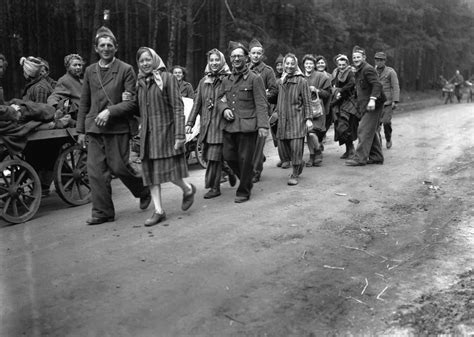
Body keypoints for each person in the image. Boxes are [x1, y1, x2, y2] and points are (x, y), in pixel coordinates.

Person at [77, 26, 151, 225]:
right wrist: (81, 130)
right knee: (95, 172)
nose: (106, 48)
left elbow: (131, 102)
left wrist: (110, 111)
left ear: (116, 48)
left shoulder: (126, 70)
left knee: (119, 167)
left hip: (117, 127)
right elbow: (84, 101)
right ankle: (103, 212)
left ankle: (143, 190)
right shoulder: (90, 71)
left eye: (110, 45)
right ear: (96, 48)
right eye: (102, 45)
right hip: (94, 129)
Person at [136, 47, 196, 226]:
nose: (145, 63)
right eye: (142, 61)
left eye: (148, 59)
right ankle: (159, 211)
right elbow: (137, 107)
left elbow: (178, 107)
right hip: (147, 134)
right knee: (151, 175)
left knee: (169, 172)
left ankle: (187, 190)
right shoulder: (139, 82)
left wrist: (180, 135)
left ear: (155, 59)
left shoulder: (167, 78)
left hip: (166, 132)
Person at [216, 41, 269, 203]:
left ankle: (244, 190)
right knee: (228, 156)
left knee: (246, 160)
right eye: (233, 56)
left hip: (248, 126)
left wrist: (262, 126)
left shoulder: (255, 78)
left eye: (240, 56)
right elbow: (219, 98)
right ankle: (246, 178)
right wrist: (224, 109)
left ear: (246, 58)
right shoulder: (227, 79)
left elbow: (261, 103)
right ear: (230, 59)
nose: (236, 59)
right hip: (230, 126)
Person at [186, 48, 235, 199]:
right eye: (211, 60)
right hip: (206, 125)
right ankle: (229, 171)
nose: (214, 63)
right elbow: (196, 103)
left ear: (222, 61)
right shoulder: (203, 81)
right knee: (208, 155)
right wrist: (190, 123)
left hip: (221, 125)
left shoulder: (228, 79)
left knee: (213, 157)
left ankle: (214, 187)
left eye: (217, 60)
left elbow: (233, 100)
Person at [275, 53, 312, 185]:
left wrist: (308, 118)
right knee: (283, 149)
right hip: (283, 120)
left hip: (297, 119)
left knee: (296, 147)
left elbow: (307, 101)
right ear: (284, 65)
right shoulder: (281, 81)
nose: (289, 66)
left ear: (295, 65)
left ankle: (295, 173)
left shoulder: (302, 81)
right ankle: (298, 163)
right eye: (287, 63)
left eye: (292, 64)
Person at [345, 46, 386, 166]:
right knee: (370, 130)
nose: (356, 59)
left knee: (363, 129)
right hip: (365, 105)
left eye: (358, 57)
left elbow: (377, 85)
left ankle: (359, 158)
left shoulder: (368, 69)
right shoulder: (358, 70)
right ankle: (376, 157)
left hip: (374, 105)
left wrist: (373, 99)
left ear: (364, 58)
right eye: (354, 57)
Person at [248, 38, 278, 183]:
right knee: (248, 143)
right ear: (249, 54)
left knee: (259, 142)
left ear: (262, 55)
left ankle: (255, 172)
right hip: (246, 111)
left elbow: (274, 91)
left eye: (259, 53)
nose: (256, 56)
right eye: (253, 53)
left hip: (261, 112)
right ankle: (259, 159)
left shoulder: (268, 71)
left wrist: (263, 94)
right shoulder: (244, 69)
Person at [302, 54, 331, 167]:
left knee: (312, 132)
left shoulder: (321, 76)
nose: (309, 65)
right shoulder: (300, 77)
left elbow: (327, 94)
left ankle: (317, 150)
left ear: (314, 65)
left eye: (311, 63)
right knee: (308, 134)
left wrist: (317, 90)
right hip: (304, 109)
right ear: (303, 65)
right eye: (306, 63)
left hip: (317, 110)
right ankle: (312, 155)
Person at [331, 54, 358, 159]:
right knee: (339, 126)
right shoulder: (336, 72)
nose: (341, 66)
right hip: (338, 102)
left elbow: (351, 83)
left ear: (347, 64)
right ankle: (348, 149)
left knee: (346, 125)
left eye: (343, 64)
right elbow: (333, 84)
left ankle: (351, 149)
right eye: (340, 64)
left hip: (348, 102)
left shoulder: (350, 72)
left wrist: (341, 91)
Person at [47, 54, 84, 124]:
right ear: (68, 67)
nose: (78, 67)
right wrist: (56, 109)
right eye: (75, 65)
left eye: (80, 65)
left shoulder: (82, 80)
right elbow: (54, 96)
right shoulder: (64, 80)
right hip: (78, 118)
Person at [374, 51, 400, 149]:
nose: (379, 62)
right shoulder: (372, 71)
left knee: (386, 122)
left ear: (384, 61)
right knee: (376, 125)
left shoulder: (390, 72)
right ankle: (378, 143)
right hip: (376, 102)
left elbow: (395, 86)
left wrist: (395, 101)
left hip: (387, 103)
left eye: (381, 60)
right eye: (377, 60)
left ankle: (388, 138)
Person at [314, 55, 333, 148]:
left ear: (325, 64)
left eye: (322, 63)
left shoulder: (330, 76)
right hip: (316, 103)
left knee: (327, 122)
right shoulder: (313, 75)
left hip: (328, 102)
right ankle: (317, 142)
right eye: (318, 63)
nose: (320, 65)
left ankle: (320, 139)